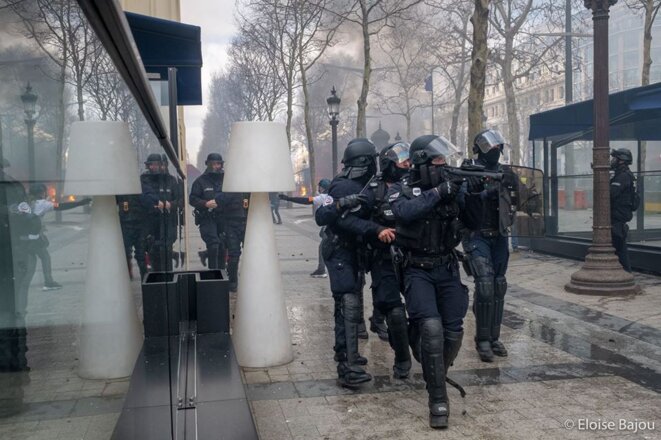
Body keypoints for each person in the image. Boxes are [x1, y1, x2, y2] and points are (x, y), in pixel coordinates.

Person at [387, 135, 468, 429]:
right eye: (437, 160)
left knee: (453, 331)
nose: (443, 165)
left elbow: (470, 218)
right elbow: (403, 212)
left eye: (445, 160)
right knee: (431, 328)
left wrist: (472, 191)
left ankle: (436, 374)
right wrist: (437, 192)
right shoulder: (401, 189)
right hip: (416, 268)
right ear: (422, 161)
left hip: (447, 266)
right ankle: (438, 399)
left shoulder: (451, 185)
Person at [315, 138, 394, 389]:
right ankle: (347, 368)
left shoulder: (364, 184)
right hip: (339, 250)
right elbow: (341, 222)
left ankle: (346, 353)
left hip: (353, 251)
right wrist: (376, 229)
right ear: (365, 161)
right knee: (347, 304)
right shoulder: (343, 185)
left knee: (349, 302)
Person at [461, 129, 517, 363]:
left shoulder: (505, 172)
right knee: (484, 286)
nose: (495, 151)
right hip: (476, 235)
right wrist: (482, 191)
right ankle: (482, 340)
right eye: (491, 148)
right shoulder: (467, 171)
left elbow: (519, 199)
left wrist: (512, 186)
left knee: (497, 286)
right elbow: (462, 202)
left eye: (497, 148)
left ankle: (494, 337)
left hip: (500, 235)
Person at [364, 142, 412, 376]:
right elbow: (357, 219)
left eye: (408, 159)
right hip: (383, 256)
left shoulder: (416, 184)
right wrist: (376, 230)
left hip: (414, 254)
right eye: (401, 159)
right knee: (394, 309)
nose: (406, 163)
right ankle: (402, 358)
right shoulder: (373, 188)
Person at [28, 184, 91, 289]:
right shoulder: (43, 204)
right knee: (45, 258)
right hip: (35, 238)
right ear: (42, 193)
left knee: (30, 260)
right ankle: (48, 282)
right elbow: (60, 206)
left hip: (22, 238)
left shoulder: (25, 202)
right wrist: (80, 203)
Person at [279, 178, 332, 278]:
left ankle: (322, 270)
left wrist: (288, 199)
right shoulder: (333, 195)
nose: (319, 189)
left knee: (323, 247)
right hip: (334, 226)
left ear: (323, 188)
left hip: (330, 228)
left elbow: (306, 201)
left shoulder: (323, 197)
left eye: (320, 187)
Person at [140, 153, 180, 272]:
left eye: (156, 164)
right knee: (153, 251)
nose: (153, 167)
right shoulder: (144, 179)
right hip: (151, 222)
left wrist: (171, 205)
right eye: (151, 165)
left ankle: (169, 276)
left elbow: (181, 200)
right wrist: (155, 203)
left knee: (166, 250)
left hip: (168, 221)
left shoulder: (172, 180)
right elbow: (142, 197)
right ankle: (155, 279)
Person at [190, 153, 227, 271]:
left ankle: (222, 273)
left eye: (218, 164)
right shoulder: (200, 181)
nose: (216, 166)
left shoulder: (226, 179)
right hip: (207, 218)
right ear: (208, 164)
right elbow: (192, 199)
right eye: (214, 164)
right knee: (213, 244)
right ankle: (213, 274)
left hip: (223, 218)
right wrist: (205, 204)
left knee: (223, 246)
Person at [610, 148, 638, 272]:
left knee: (619, 247)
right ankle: (624, 272)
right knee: (618, 246)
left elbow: (611, 193)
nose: (612, 161)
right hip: (619, 214)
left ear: (621, 160)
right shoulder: (623, 174)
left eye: (615, 158)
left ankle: (626, 272)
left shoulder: (623, 176)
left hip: (618, 215)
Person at [219, 184, 250, 292]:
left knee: (252, 253)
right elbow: (219, 199)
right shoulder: (229, 185)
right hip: (231, 224)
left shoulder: (248, 187)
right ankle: (233, 282)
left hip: (247, 223)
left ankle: (251, 280)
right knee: (234, 255)